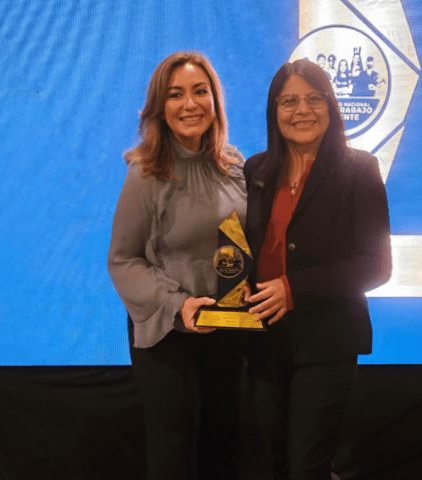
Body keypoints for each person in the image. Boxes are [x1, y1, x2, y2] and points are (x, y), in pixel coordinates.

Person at [243, 59, 392, 479]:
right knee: (277, 462)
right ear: (274, 111)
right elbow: (242, 247)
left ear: (331, 105)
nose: (302, 110)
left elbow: (376, 265)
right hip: (263, 344)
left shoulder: (360, 169)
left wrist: (293, 289)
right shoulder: (256, 170)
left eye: (314, 98)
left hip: (326, 344)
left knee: (307, 466)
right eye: (289, 100)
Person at [107, 51, 247, 480]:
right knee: (173, 450)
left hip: (227, 327)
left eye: (200, 91)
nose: (190, 104)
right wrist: (179, 304)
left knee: (225, 445)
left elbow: (241, 243)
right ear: (160, 107)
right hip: (167, 329)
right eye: (176, 94)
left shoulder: (234, 164)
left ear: (215, 100)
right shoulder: (145, 173)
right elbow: (122, 261)